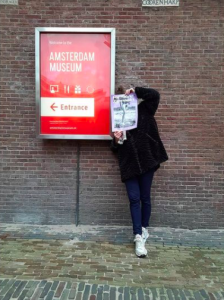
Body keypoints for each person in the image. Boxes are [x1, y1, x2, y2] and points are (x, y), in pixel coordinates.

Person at [110, 86, 168, 258]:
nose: (124, 104)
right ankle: (138, 237)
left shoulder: (144, 109)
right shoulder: (117, 120)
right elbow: (114, 148)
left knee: (145, 197)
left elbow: (155, 95)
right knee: (134, 199)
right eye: (120, 102)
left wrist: (136, 90)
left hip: (147, 161)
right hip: (129, 165)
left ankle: (143, 229)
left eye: (126, 99)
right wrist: (117, 139)